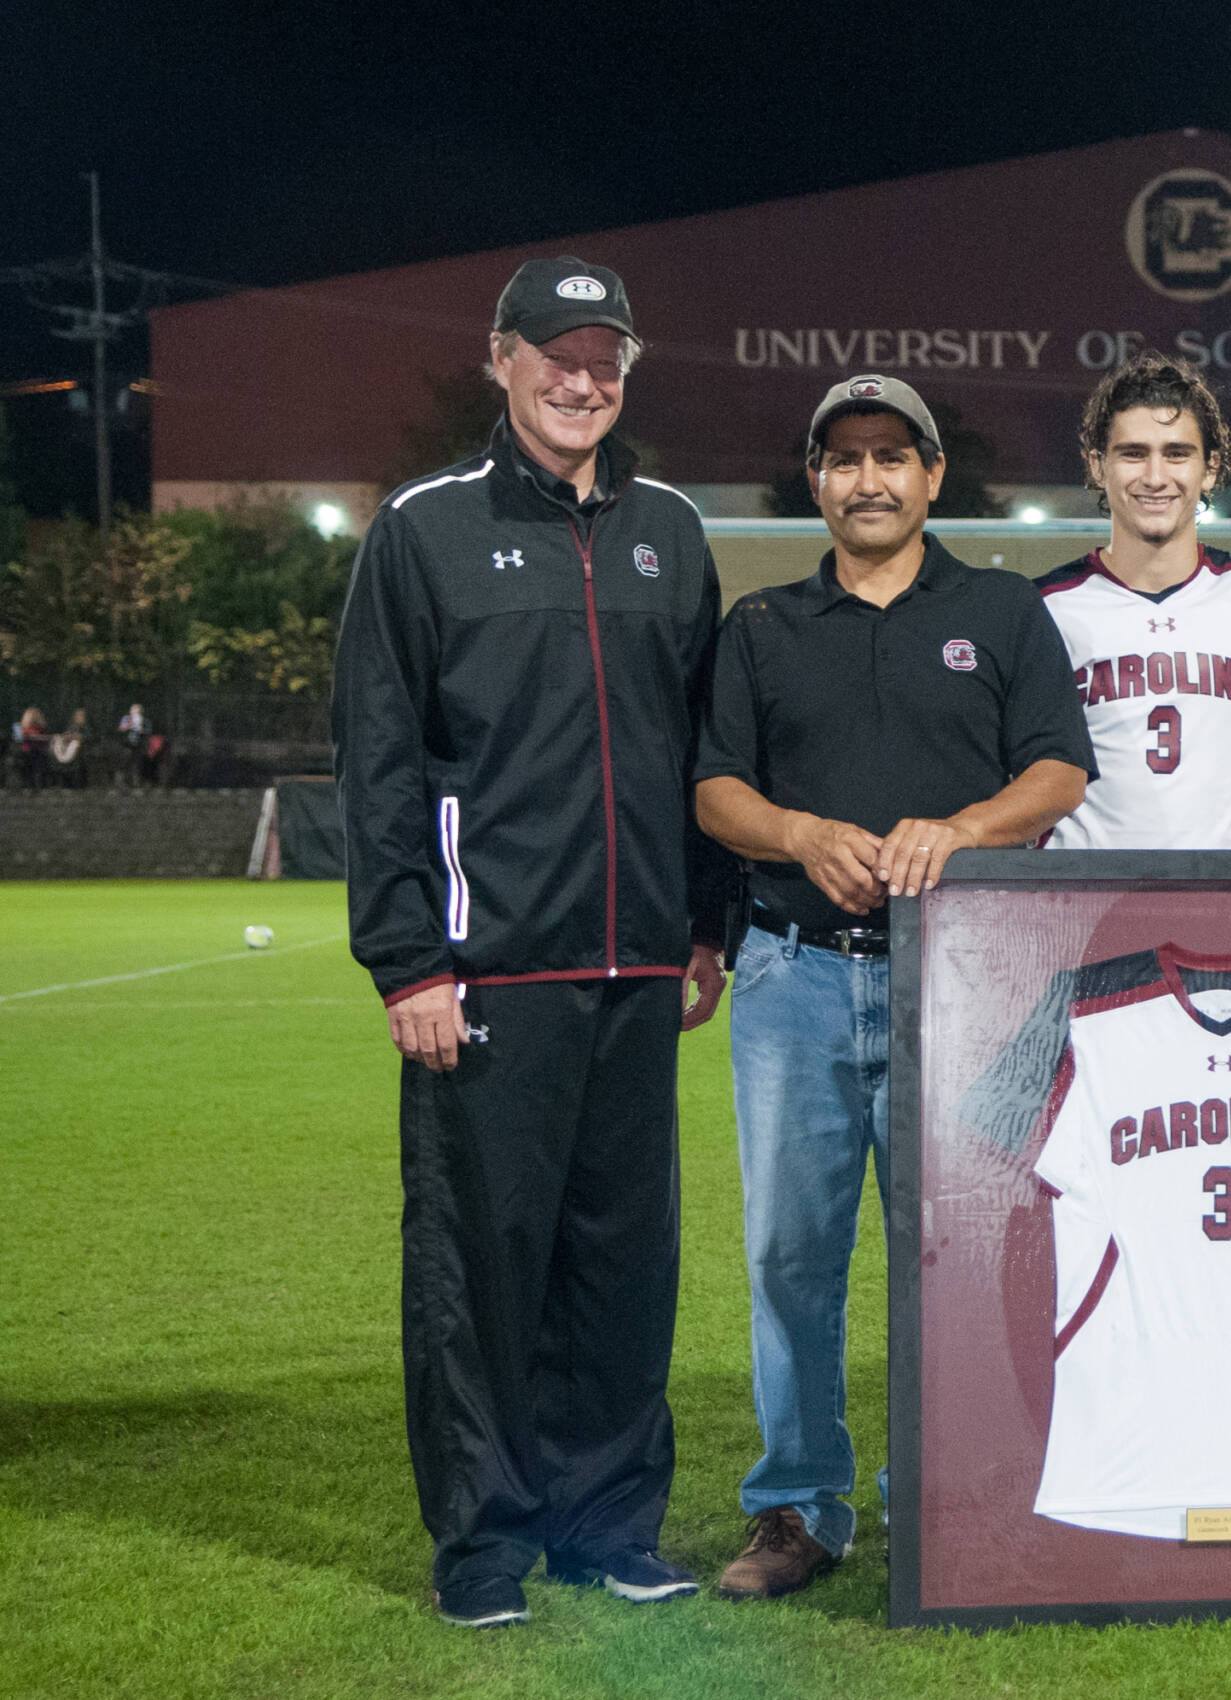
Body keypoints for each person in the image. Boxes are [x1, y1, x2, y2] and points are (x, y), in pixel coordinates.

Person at [333, 257, 730, 1629]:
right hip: (486, 971)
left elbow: (702, 751)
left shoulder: (672, 532)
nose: (582, 380)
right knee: (481, 1269)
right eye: (555, 355)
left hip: (639, 975)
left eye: (605, 357)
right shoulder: (425, 530)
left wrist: (705, 925)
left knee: (625, 1266)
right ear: (499, 359)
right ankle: (485, 1546)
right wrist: (409, 957)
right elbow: (377, 758)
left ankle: (610, 1526)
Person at [693, 374, 1093, 1600]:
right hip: (794, 975)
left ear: (931, 478)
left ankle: (969, 1499)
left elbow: (1060, 768)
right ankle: (797, 1507)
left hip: (968, 980)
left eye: (893, 456)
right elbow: (713, 788)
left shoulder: (1002, 606)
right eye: (843, 457)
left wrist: (963, 826)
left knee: (974, 1249)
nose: (869, 477)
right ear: (814, 480)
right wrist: (801, 832)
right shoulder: (759, 625)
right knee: (789, 1255)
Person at [1037, 354, 1231, 846]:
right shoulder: (1045, 606)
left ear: (1209, 468)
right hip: (1080, 903)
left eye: (1177, 453)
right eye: (1132, 453)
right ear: (1097, 465)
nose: (1155, 476)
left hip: (1227, 900)